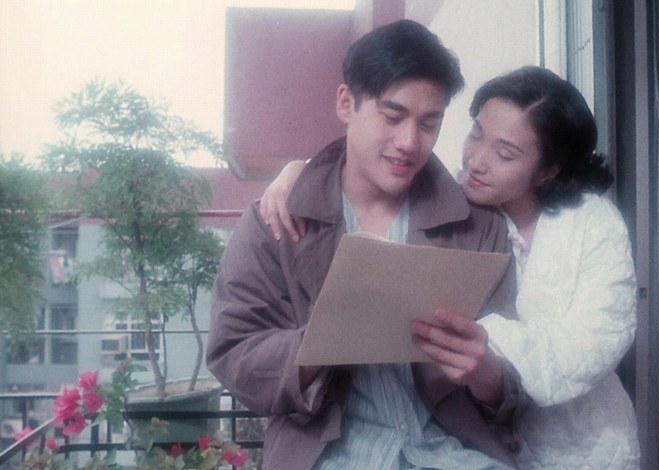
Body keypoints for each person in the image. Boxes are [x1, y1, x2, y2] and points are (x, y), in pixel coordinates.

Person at [261, 66, 641, 469]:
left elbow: (595, 344)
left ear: (549, 170)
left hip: (583, 441)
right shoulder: (459, 209)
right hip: (485, 443)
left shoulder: (592, 223)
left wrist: (485, 346)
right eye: (476, 133)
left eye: (505, 154)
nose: (477, 160)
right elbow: (369, 173)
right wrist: (296, 173)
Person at [206, 20, 521, 470]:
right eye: (392, 116)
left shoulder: (479, 227)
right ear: (346, 103)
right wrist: (319, 342)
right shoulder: (273, 220)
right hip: (328, 456)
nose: (409, 143)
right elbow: (233, 353)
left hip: (454, 453)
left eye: (429, 123)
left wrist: (485, 373)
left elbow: (516, 381)